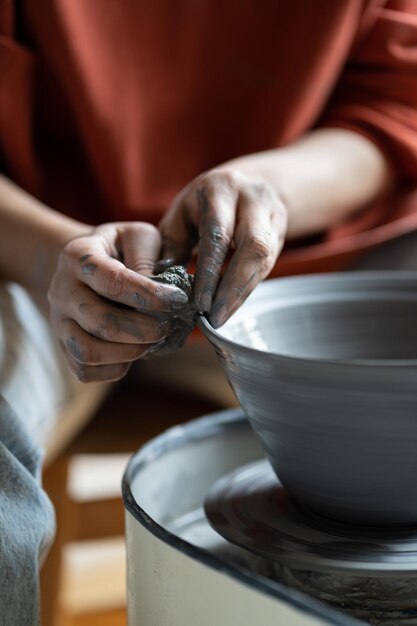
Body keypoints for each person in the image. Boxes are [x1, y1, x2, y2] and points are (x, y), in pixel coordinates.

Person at [0, 1, 417, 623]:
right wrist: (61, 260)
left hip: (316, 243)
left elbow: (395, 106)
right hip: (37, 249)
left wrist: (270, 190)